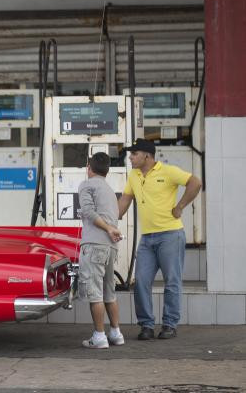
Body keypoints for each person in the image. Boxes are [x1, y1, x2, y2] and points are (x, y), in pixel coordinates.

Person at [118, 138, 202, 341]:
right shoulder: (134, 175)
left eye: (134, 154)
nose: (130, 157)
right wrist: (108, 222)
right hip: (147, 239)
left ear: (147, 155)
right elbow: (125, 199)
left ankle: (170, 325)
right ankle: (146, 325)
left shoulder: (168, 171)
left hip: (170, 235)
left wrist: (180, 206)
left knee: (172, 281)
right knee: (141, 282)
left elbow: (195, 182)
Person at [78, 152, 124, 349]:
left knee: (95, 293)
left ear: (89, 168)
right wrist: (111, 229)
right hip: (110, 246)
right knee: (109, 292)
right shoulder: (109, 190)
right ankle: (116, 333)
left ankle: (99, 336)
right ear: (107, 170)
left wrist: (107, 228)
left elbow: (88, 211)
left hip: (94, 244)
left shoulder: (87, 185)